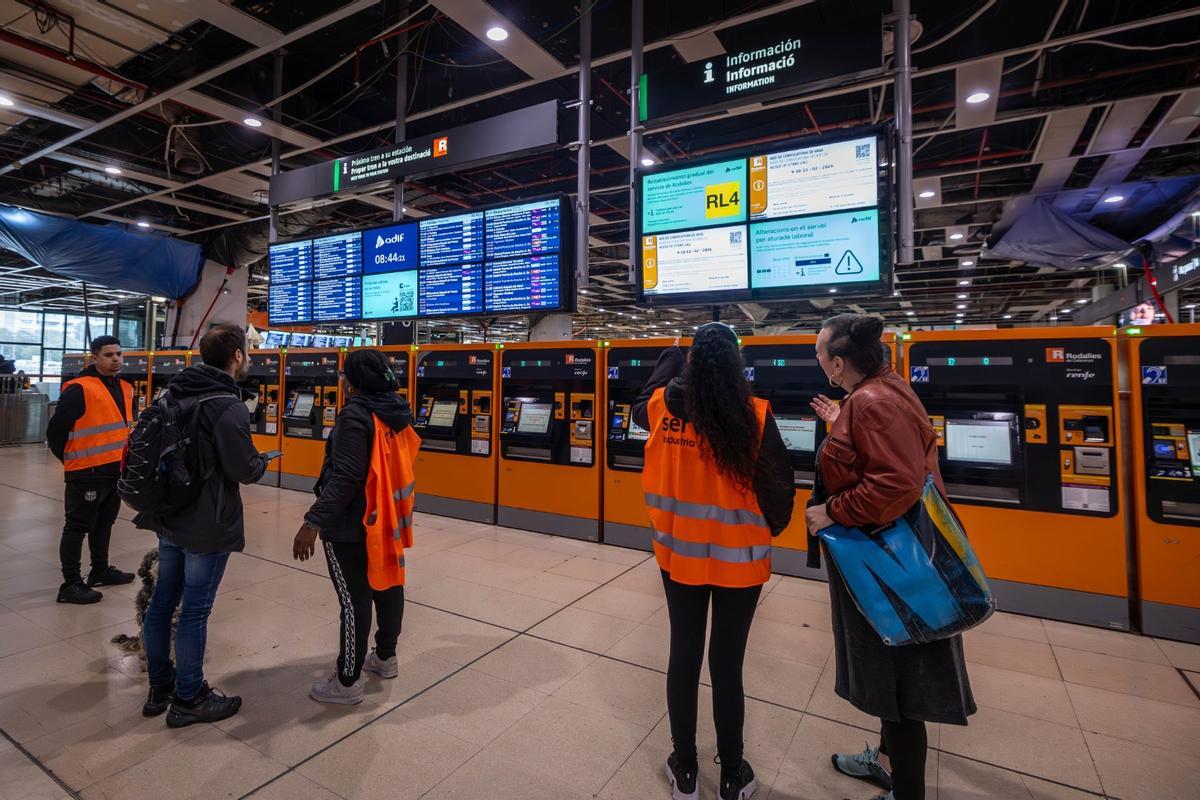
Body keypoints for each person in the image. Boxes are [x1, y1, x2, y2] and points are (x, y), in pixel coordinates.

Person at [806, 314, 975, 800]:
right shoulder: (883, 390)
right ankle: (883, 761)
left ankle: (906, 792)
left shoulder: (873, 402)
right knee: (892, 666)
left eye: (819, 353)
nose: (817, 361)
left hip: (891, 563)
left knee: (899, 681)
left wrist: (832, 512)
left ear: (838, 363)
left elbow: (896, 484)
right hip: (893, 557)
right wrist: (842, 424)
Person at [631, 323, 795, 800]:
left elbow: (645, 396)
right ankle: (731, 774)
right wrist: (766, 530)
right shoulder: (756, 416)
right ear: (736, 365)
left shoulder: (661, 409)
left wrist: (671, 354)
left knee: (683, 656)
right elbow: (779, 490)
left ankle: (684, 770)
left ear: (691, 364)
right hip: (738, 562)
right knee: (728, 664)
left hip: (679, 556)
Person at [137, 325, 269, 727]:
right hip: (206, 522)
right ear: (236, 356)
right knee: (195, 610)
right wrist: (261, 462)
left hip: (170, 513)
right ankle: (190, 697)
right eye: (247, 352)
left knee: (162, 602)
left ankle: (161, 685)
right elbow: (243, 469)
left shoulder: (173, 392)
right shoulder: (227, 406)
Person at [293, 349, 417, 705]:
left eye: (345, 375)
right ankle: (385, 657)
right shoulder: (395, 413)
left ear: (354, 382)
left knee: (354, 600)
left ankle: (347, 682)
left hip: (351, 523)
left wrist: (312, 522)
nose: (341, 381)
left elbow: (346, 477)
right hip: (387, 517)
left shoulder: (354, 416)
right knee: (388, 585)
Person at [45, 336, 135, 604]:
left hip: (114, 469)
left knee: (105, 522)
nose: (116, 359)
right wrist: (72, 460)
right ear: (94, 358)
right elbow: (56, 431)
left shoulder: (125, 388)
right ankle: (70, 584)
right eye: (109, 355)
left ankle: (100, 570)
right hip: (86, 471)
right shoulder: (79, 389)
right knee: (77, 526)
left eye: (119, 354)